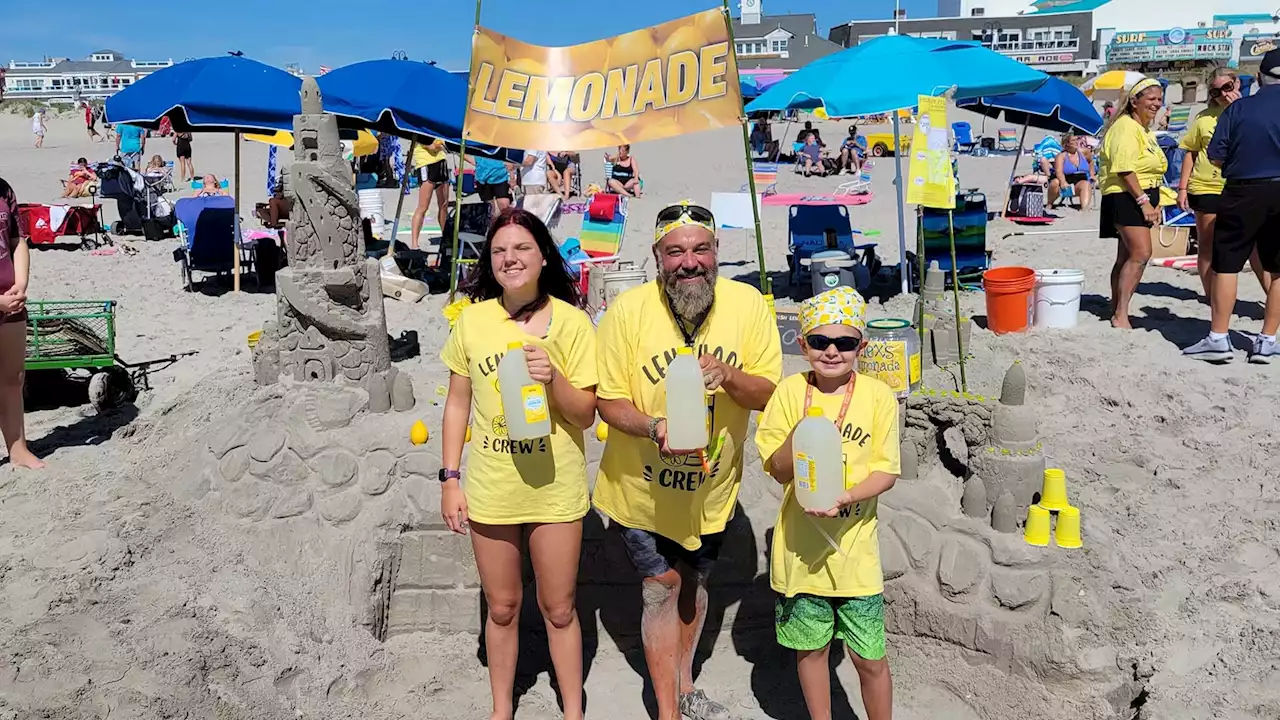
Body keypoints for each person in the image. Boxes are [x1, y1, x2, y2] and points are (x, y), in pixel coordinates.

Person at [594, 201, 782, 720]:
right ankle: (668, 710)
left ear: (717, 252)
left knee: (694, 585)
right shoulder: (628, 313)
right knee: (661, 588)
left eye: (701, 248)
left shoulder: (748, 307)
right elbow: (606, 401)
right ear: (657, 256)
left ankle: (686, 683)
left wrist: (730, 376)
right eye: (675, 251)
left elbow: (767, 393)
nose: (689, 261)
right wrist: (653, 428)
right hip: (641, 487)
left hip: (712, 490)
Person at [440, 207, 597, 720]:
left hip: (555, 489)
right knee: (503, 608)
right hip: (491, 487)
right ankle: (500, 709)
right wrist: (449, 478)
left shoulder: (573, 324)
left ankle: (572, 709)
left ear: (544, 256)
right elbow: (457, 403)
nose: (510, 258)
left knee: (559, 608)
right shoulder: (472, 320)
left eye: (523, 248)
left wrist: (554, 380)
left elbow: (586, 415)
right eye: (500, 250)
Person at [754, 287, 899, 720]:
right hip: (802, 554)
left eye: (845, 342)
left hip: (855, 555)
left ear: (862, 346)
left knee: (869, 659)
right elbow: (777, 469)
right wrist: (798, 436)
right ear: (803, 344)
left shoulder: (877, 396)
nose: (832, 351)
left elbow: (886, 471)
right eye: (819, 341)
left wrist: (848, 496)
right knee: (811, 650)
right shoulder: (787, 393)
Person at [1183, 49, 1280, 363]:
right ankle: (1267, 340)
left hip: (1243, 189)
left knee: (1226, 264)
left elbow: (1214, 155)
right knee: (1278, 269)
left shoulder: (1239, 109)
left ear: (1260, 77)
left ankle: (1219, 337)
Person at [1177, 69, 1270, 304]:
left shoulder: (1252, 110)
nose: (1222, 95)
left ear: (1237, 83)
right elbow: (1191, 152)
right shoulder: (1204, 118)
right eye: (1216, 91)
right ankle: (1212, 296)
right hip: (1207, 185)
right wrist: (1182, 188)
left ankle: (1272, 295)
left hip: (1243, 185)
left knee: (1255, 245)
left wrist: (1239, 107)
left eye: (1227, 88)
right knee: (1207, 243)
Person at [1098, 78, 1167, 329]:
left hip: (1139, 195)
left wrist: (1158, 202)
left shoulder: (1143, 129)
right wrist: (1144, 202)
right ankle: (1120, 314)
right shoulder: (1126, 127)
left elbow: (1153, 168)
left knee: (1126, 256)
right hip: (1126, 196)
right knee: (1141, 254)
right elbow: (1125, 169)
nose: (1156, 104)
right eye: (1151, 99)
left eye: (1159, 99)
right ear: (1134, 101)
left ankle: (1117, 307)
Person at [0, 176, 44, 469]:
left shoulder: (4, 190)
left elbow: (18, 242)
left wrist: (21, 283)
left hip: (10, 301)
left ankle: (18, 449)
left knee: (12, 378)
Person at [409, 137, 450, 250]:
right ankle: (414, 243)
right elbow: (429, 144)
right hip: (426, 163)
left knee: (444, 204)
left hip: (441, 161)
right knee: (423, 207)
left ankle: (445, 236)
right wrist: (441, 146)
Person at [1049, 134, 1093, 209]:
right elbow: (1059, 171)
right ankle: (1049, 203)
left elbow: (1091, 162)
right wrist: (1063, 182)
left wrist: (1092, 174)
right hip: (1065, 181)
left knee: (1086, 184)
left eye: (1077, 139)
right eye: (1073, 140)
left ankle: (1084, 209)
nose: (1077, 142)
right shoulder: (1061, 156)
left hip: (1079, 182)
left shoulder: (1084, 152)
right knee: (1055, 183)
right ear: (1067, 143)